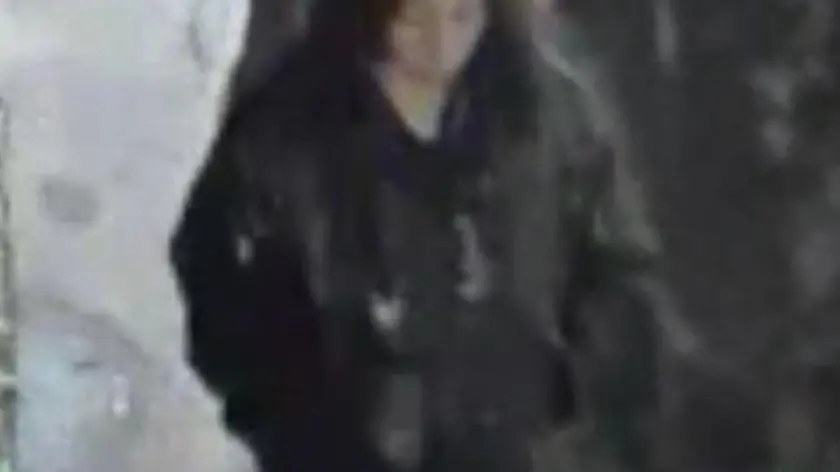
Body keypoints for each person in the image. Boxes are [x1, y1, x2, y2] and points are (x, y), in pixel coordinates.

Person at [170, 0, 658, 470]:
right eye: (411, 21)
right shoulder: (285, 133)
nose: (440, 44)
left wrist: (570, 396)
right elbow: (219, 284)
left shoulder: (545, 117)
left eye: (461, 15)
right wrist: (299, 418)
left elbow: (617, 271)